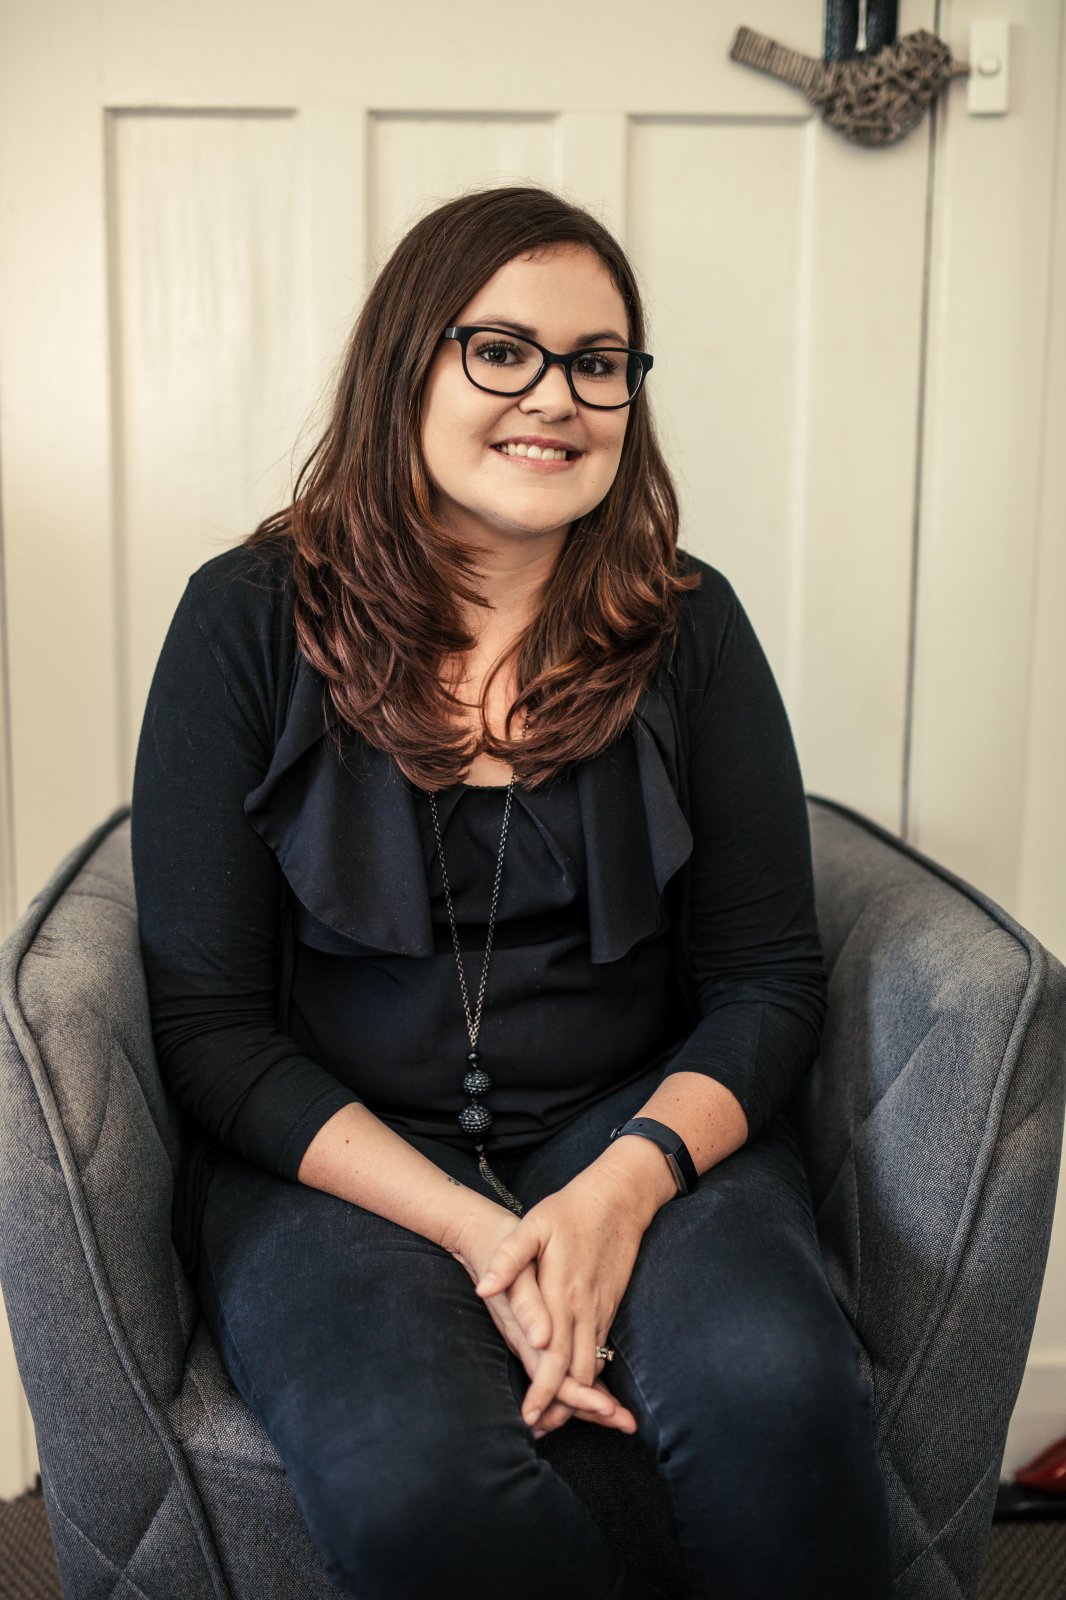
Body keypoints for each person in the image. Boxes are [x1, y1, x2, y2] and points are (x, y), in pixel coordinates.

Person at [131, 184, 893, 1600]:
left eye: (598, 363)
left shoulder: (690, 625)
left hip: (636, 1124)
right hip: (339, 1159)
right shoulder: (243, 619)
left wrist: (620, 1190)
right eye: (501, 351)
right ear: (403, 366)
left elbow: (767, 983)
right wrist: (478, 1229)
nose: (556, 398)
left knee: (775, 1398)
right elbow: (210, 1028)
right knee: (415, 1486)